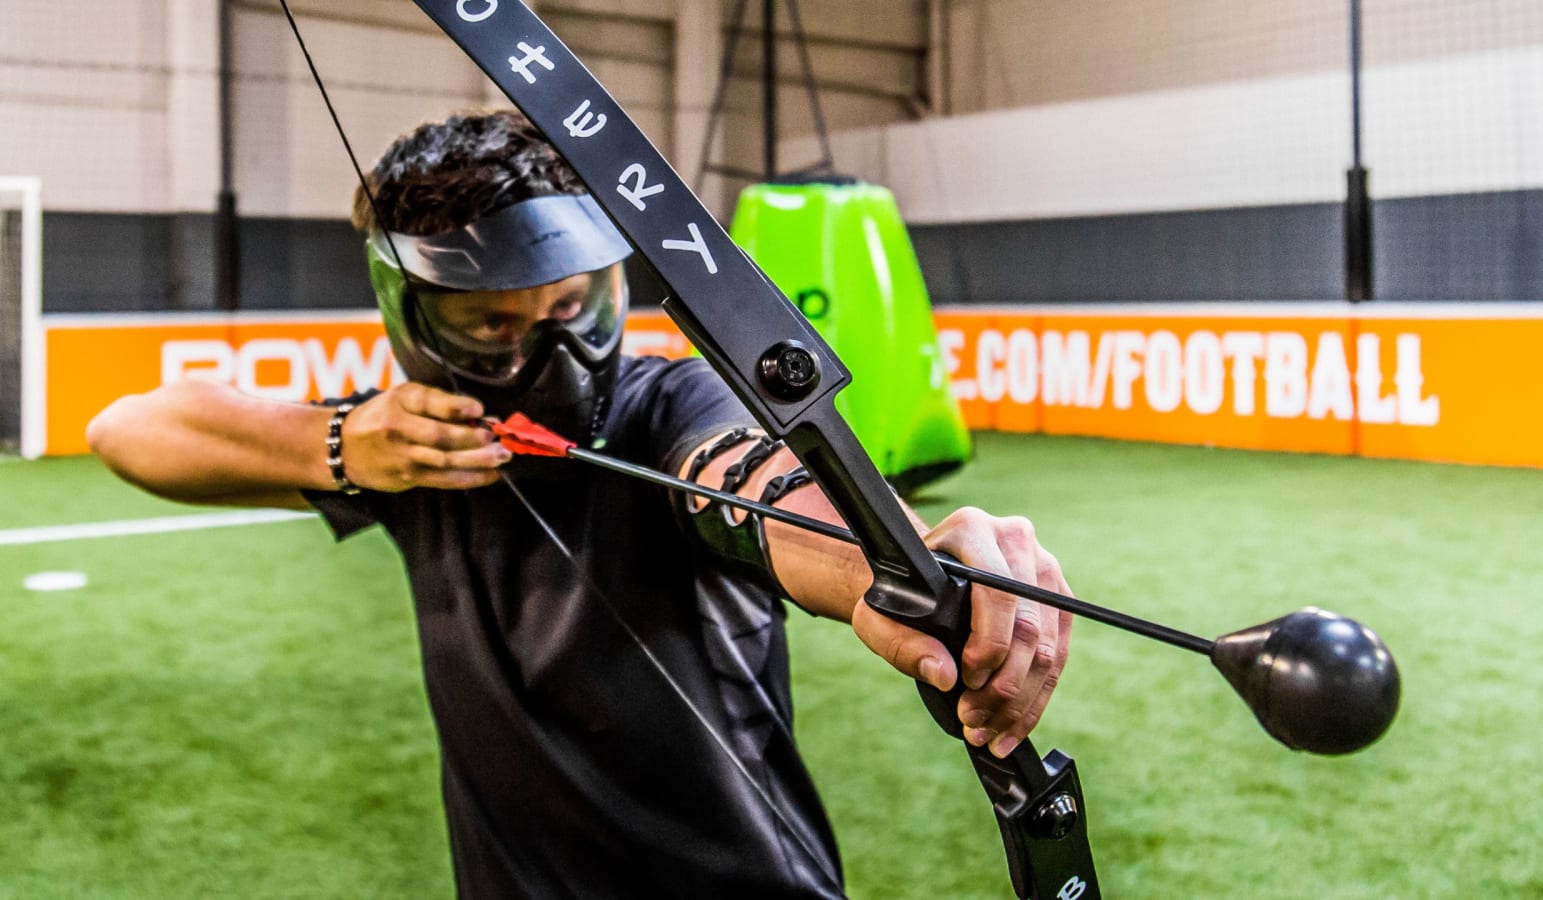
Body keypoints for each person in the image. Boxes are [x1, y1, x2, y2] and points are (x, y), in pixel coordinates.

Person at [87, 110, 1073, 899]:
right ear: (414, 317)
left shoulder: (674, 404)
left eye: (574, 307)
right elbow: (128, 430)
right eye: (491, 325)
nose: (552, 352)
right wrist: (342, 446)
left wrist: (900, 565)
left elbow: (760, 488)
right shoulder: (415, 443)